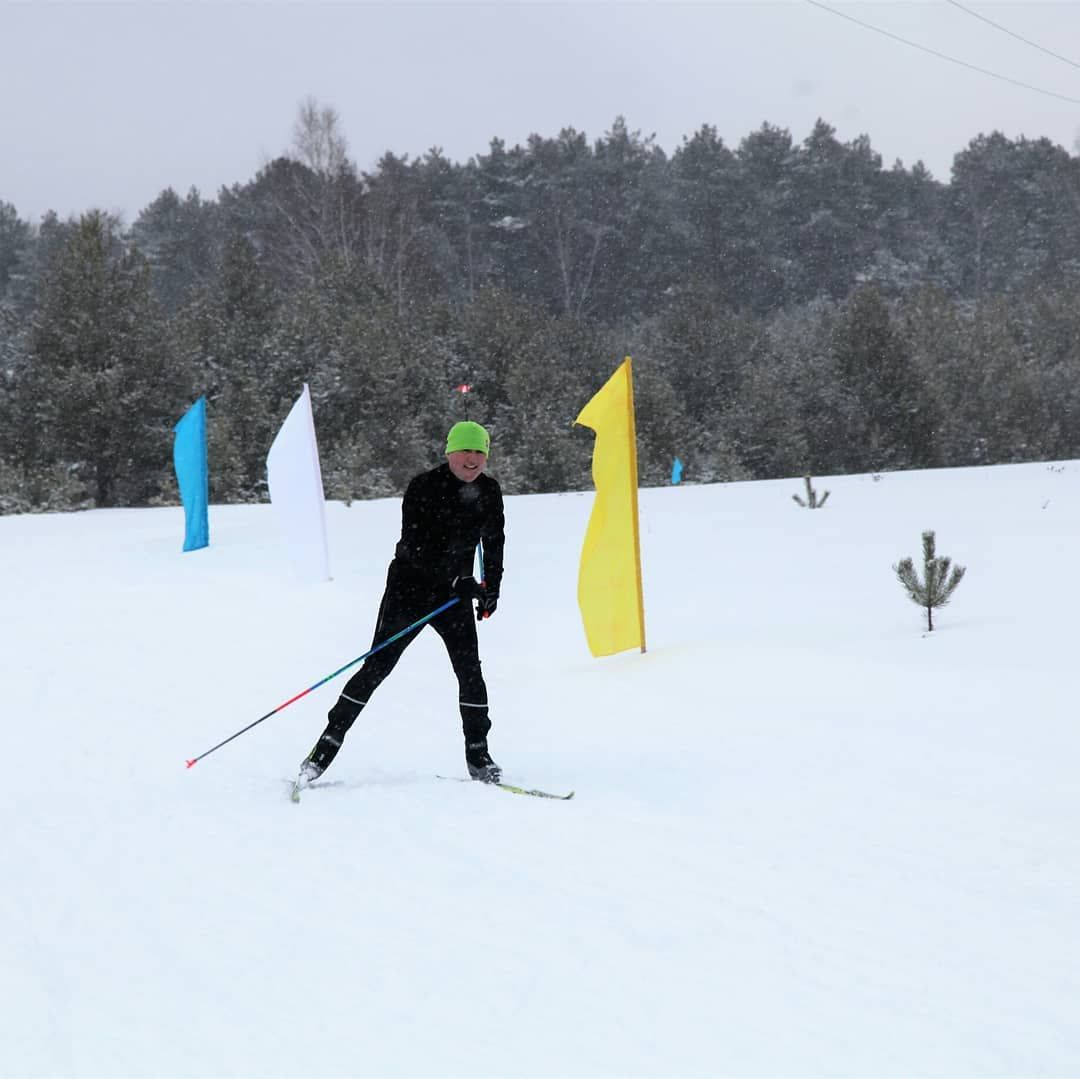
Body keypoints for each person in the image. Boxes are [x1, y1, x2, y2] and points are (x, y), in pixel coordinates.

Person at [295, 420, 505, 790]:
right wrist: (455, 578)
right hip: (409, 590)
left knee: (470, 672)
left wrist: (491, 588)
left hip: (454, 597)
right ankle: (324, 749)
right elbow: (415, 546)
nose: (472, 459)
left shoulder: (489, 491)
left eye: (479, 452)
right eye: (465, 451)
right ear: (450, 452)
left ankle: (479, 756)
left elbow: (494, 541)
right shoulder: (424, 486)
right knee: (377, 667)